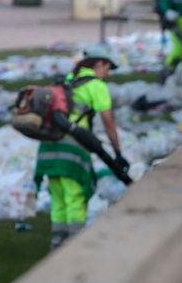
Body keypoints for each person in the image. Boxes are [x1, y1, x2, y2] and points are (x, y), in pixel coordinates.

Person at [34, 44, 125, 249]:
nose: (108, 74)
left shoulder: (67, 81)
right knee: (75, 196)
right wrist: (118, 152)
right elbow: (108, 122)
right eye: (108, 68)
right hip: (72, 147)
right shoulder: (96, 86)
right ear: (99, 63)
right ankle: (74, 247)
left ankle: (56, 245)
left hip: (48, 147)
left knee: (58, 197)